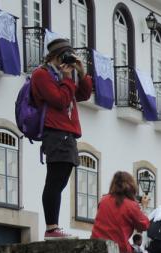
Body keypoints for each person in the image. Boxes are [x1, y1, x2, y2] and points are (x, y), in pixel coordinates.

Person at [32, 38, 93, 239]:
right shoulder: (42, 75)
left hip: (67, 133)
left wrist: (82, 73)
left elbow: (83, 95)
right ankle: (51, 228)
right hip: (56, 133)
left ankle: (53, 227)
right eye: (65, 56)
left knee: (60, 180)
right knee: (55, 180)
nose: (68, 60)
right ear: (56, 56)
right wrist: (67, 78)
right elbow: (59, 100)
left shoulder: (61, 75)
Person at [90, 172, 149, 253]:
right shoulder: (131, 205)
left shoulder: (103, 200)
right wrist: (144, 207)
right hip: (118, 248)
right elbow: (144, 225)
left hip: (95, 245)